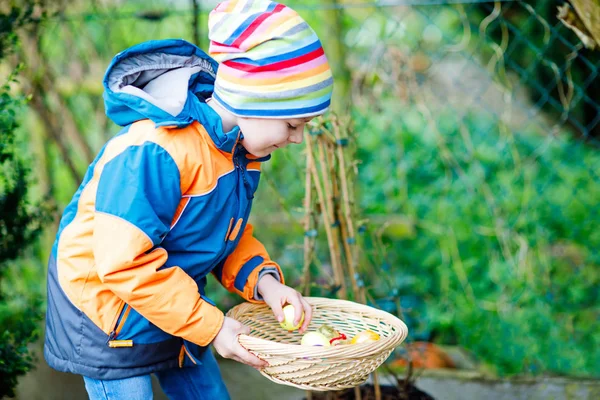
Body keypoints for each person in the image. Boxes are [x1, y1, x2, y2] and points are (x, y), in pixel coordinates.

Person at [43, 0, 334, 399]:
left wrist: (266, 283)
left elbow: (223, 235)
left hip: (169, 299)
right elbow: (123, 265)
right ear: (253, 102)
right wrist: (212, 326)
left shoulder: (240, 153)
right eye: (292, 123)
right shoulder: (156, 153)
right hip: (108, 312)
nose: (297, 138)